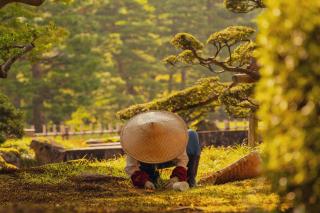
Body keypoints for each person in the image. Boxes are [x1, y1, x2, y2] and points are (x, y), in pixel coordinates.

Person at [120, 111, 201, 190]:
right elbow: (131, 167)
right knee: (151, 182)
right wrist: (144, 181)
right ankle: (153, 178)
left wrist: (177, 177)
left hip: (170, 159)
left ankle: (190, 179)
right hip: (147, 163)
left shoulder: (173, 137)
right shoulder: (135, 142)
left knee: (192, 134)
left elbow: (182, 159)